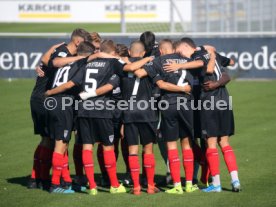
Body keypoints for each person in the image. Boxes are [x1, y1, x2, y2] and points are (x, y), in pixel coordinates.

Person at [132, 39, 197, 194]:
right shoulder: (187, 61)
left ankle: (176, 186)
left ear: (160, 50)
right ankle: (189, 183)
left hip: (168, 104)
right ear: (173, 49)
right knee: (187, 144)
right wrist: (184, 89)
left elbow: (143, 75)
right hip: (187, 104)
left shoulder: (159, 61)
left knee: (171, 145)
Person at [28, 42, 64, 190]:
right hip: (46, 101)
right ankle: (45, 179)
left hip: (36, 99)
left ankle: (35, 178)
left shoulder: (51, 60)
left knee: (46, 139)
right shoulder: (59, 61)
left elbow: (44, 60)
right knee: (56, 141)